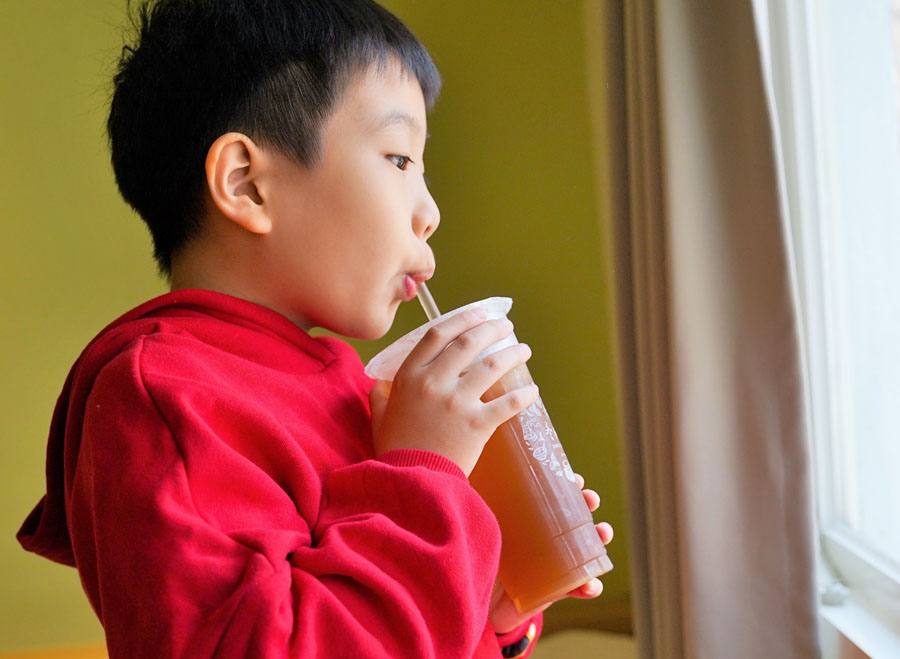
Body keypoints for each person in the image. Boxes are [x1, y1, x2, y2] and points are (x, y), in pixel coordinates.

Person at [17, 1, 613, 657]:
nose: (431, 211)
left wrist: (484, 607)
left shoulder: (345, 383)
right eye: (398, 159)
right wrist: (422, 474)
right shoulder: (165, 396)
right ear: (247, 184)